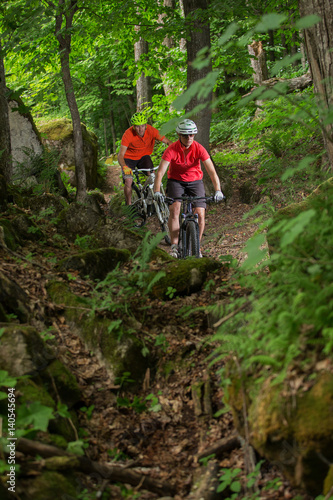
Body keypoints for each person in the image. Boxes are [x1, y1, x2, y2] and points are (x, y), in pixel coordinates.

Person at [153, 119, 224, 258]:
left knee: (201, 213)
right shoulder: (172, 149)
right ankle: (174, 246)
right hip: (176, 181)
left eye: (192, 135)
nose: (189, 138)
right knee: (175, 210)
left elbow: (211, 171)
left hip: (195, 181)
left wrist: (218, 190)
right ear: (179, 135)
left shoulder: (199, 148)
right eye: (185, 135)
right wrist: (156, 191)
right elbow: (160, 172)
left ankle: (196, 246)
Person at [118, 110, 172, 205]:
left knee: (153, 176)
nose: (141, 129)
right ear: (134, 127)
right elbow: (120, 155)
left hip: (144, 157)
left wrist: (174, 154)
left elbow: (168, 142)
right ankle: (129, 205)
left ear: (146, 125)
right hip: (129, 158)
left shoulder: (151, 131)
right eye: (138, 126)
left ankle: (152, 200)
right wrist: (124, 167)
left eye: (143, 126)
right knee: (128, 180)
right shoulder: (128, 134)